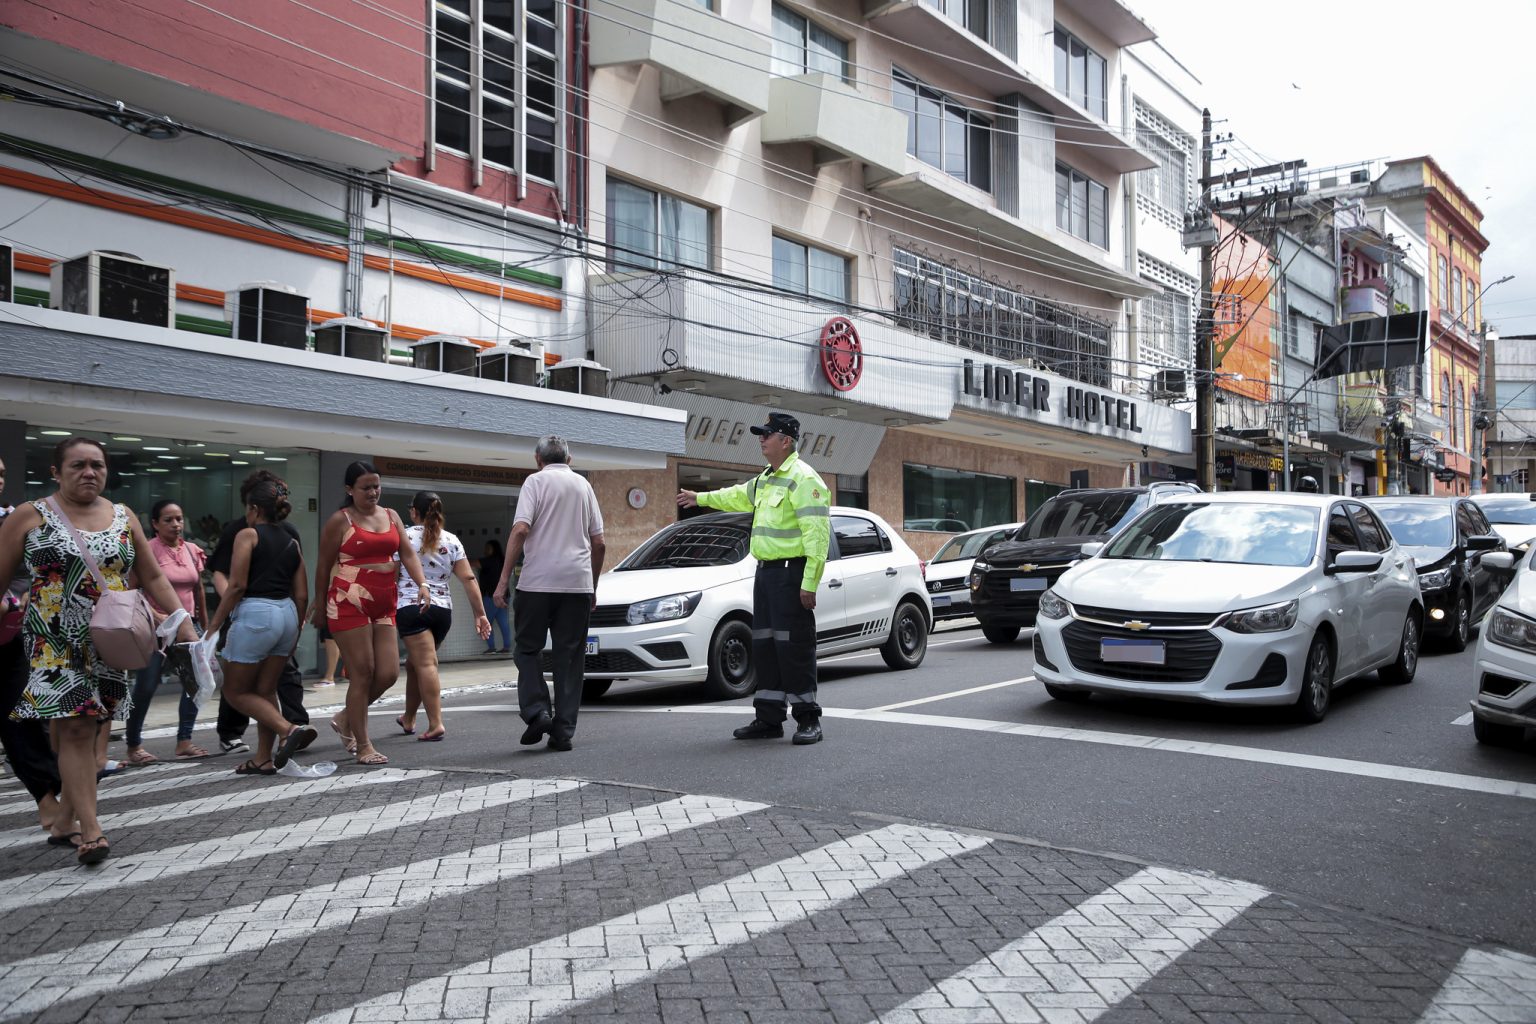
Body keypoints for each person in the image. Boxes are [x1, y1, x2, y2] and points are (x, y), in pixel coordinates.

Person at [0, 437, 196, 864]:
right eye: (77, 465)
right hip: (52, 640)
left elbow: (152, 576)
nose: (89, 472)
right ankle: (92, 831)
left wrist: (182, 620)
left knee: (92, 734)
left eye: (97, 465)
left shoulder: (123, 516)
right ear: (56, 472)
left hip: (110, 638)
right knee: (74, 729)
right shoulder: (28, 517)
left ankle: (65, 817)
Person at [677, 411, 831, 745]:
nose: (761, 439)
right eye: (761, 434)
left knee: (795, 648)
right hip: (766, 576)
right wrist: (699, 498)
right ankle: (769, 718)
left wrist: (809, 583)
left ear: (785, 441)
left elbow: (817, 537)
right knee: (765, 647)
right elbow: (734, 495)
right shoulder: (765, 479)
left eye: (767, 434)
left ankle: (808, 719)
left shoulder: (805, 480)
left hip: (792, 576)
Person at [313, 461, 430, 766]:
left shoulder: (391, 516)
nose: (373, 492)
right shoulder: (340, 521)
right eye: (366, 487)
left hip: (384, 600)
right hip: (348, 600)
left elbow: (406, 552)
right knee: (362, 673)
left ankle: (344, 717)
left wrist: (422, 583)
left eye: (376, 485)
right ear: (349, 490)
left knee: (389, 672)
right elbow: (323, 566)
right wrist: (318, 608)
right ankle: (363, 744)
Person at [493, 436, 605, 753]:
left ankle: (538, 711)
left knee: (527, 650)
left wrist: (503, 581)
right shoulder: (584, 486)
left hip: (537, 583)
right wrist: (592, 587)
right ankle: (563, 733)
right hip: (577, 584)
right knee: (569, 659)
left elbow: (520, 530)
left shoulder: (535, 482)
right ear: (569, 459)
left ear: (537, 459)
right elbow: (599, 543)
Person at [203, 476, 317, 774]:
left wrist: (214, 625)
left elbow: (237, 585)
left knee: (236, 692)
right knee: (266, 691)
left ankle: (287, 729)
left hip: (256, 614)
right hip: (288, 614)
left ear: (254, 508)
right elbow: (303, 594)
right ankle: (263, 758)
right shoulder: (292, 540)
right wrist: (296, 629)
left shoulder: (247, 535)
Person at [0, 456, 72, 847]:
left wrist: (22, 599)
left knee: (20, 721)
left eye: (2, 473)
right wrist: (14, 604)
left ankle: (47, 798)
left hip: (8, 642)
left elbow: (28, 574)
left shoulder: (12, 520)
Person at [394, 492, 491, 742]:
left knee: (425, 664)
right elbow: (469, 578)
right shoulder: (451, 540)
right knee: (415, 664)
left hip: (413, 606)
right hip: (441, 612)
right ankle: (408, 718)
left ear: (414, 512)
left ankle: (436, 723)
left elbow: (392, 574)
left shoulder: (404, 537)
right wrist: (480, 614)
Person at [121, 500, 209, 765]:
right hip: (155, 627)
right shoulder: (147, 551)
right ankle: (134, 745)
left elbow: (198, 590)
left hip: (187, 627)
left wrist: (203, 624)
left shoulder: (192, 551)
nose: (176, 525)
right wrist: (156, 615)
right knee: (147, 685)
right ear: (155, 524)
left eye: (179, 519)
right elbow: (132, 590)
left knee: (195, 684)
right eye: (168, 520)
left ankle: (184, 741)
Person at [476, 539, 511, 654]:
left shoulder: (490, 560)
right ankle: (507, 647)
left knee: (486, 622)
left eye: (488, 548)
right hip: (504, 595)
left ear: (494, 549)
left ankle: (491, 648)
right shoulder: (502, 560)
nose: (485, 550)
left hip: (491, 596)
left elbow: (474, 564)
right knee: (503, 622)